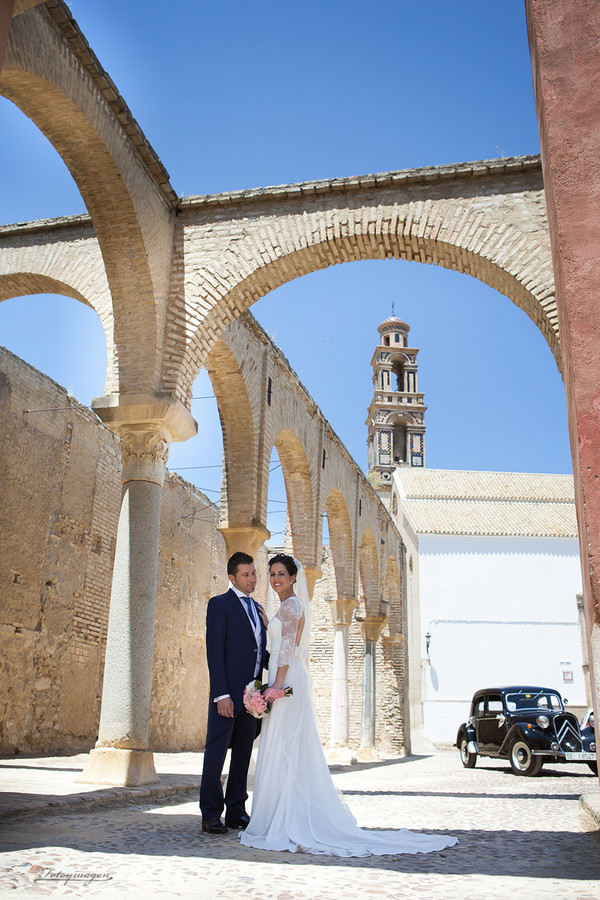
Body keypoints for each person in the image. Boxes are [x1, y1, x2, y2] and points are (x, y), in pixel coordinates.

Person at [240, 553, 458, 857]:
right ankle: (282, 814)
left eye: (281, 574)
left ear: (293, 577)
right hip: (286, 675)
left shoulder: (290, 606)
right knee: (286, 744)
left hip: (285, 678)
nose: (276, 579)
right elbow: (282, 641)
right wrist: (268, 625)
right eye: (272, 574)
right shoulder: (288, 605)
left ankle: (285, 820)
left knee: (285, 745)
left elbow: (286, 648)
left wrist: (276, 685)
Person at [200, 551, 268, 834]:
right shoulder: (219, 605)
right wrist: (221, 694)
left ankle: (237, 811)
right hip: (227, 695)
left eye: (254, 573)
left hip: (252, 696)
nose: (252, 579)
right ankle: (211, 813)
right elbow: (214, 652)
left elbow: (258, 652)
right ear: (232, 577)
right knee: (216, 752)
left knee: (243, 753)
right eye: (246, 575)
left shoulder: (258, 609)